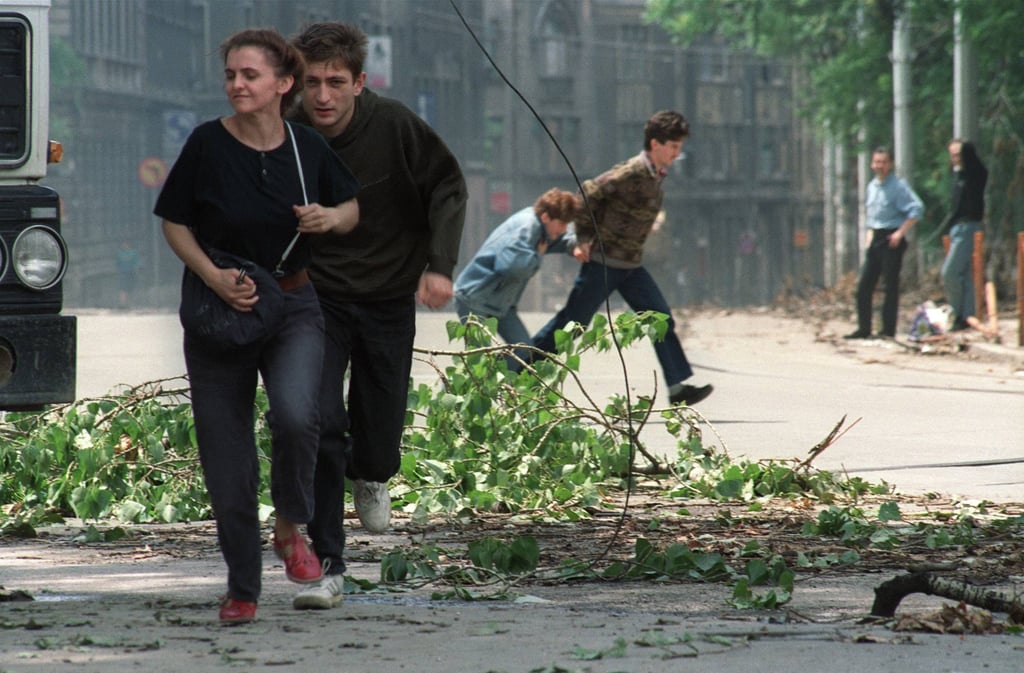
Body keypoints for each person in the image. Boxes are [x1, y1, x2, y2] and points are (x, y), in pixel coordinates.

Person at [153, 28, 360, 624]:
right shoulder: (206, 144)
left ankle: (291, 528)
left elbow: (351, 207)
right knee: (228, 458)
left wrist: (329, 218)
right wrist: (215, 277)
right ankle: (242, 586)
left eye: (250, 75)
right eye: (231, 75)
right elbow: (174, 222)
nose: (237, 85)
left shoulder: (306, 147)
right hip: (221, 314)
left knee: (298, 415)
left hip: (293, 305)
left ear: (282, 83)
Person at [289, 22, 467, 610]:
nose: (323, 96)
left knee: (380, 432)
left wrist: (440, 265)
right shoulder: (285, 131)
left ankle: (371, 472)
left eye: (336, 82)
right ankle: (327, 566)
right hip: (316, 296)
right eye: (312, 83)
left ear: (359, 83)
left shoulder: (394, 125)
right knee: (319, 420)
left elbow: (448, 185)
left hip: (389, 294)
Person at [529, 110, 713, 408]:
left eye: (679, 147)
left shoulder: (655, 175)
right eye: (673, 146)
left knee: (660, 318)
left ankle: (678, 388)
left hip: (630, 266)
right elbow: (586, 194)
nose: (677, 153)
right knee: (573, 322)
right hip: (603, 264)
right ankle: (521, 366)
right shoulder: (630, 172)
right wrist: (584, 237)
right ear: (655, 144)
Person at [454, 188, 578, 361]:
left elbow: (558, 240)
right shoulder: (525, 228)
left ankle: (496, 374)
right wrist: (538, 256)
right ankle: (488, 374)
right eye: (562, 224)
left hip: (501, 304)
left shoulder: (541, 227)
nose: (564, 229)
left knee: (523, 351)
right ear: (545, 217)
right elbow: (512, 268)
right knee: (479, 359)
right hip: (475, 299)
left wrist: (577, 245)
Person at [845, 146, 923, 339]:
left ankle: (887, 331)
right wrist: (869, 235)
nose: (879, 166)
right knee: (864, 286)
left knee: (890, 287)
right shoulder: (872, 186)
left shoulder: (898, 186)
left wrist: (900, 233)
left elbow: (917, 209)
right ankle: (864, 329)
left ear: (890, 164)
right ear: (872, 164)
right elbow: (872, 215)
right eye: (876, 162)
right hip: (876, 237)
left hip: (892, 238)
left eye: (883, 162)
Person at [939, 139, 988, 331]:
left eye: (959, 154)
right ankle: (967, 316)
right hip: (957, 228)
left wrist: (965, 149)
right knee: (965, 276)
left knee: (949, 273)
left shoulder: (975, 174)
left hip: (969, 228)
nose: (955, 158)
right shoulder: (958, 176)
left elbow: (980, 170)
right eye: (952, 155)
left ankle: (957, 312)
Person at [115, 240, 142, 309]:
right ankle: (123, 303)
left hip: (131, 273)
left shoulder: (133, 253)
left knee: (129, 289)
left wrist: (136, 270)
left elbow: (136, 263)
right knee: (123, 288)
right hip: (123, 273)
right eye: (123, 244)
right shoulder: (119, 253)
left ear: (129, 244)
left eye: (126, 244)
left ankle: (128, 303)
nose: (124, 245)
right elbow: (117, 263)